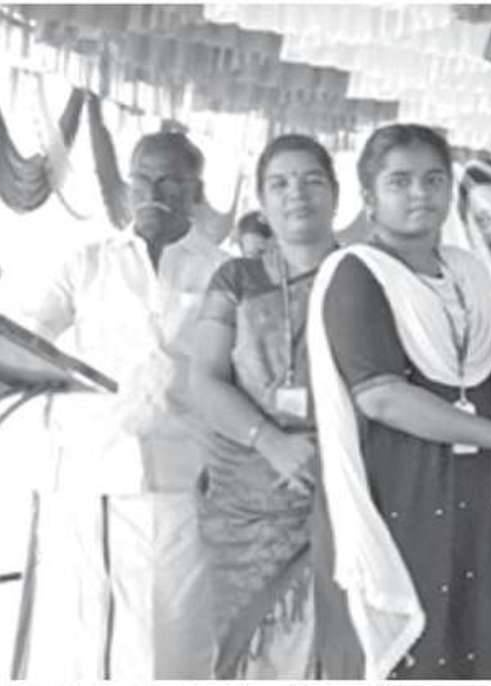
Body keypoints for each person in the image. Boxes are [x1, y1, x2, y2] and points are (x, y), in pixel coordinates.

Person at [305, 123, 491, 679]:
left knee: (480, 631)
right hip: (396, 486)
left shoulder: (465, 270)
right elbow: (383, 397)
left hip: (476, 486)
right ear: (369, 194)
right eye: (400, 181)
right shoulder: (356, 273)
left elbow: (484, 380)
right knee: (415, 643)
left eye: (434, 179)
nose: (420, 193)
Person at [6, 130, 228, 679]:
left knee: (178, 623)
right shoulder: (87, 261)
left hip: (186, 474)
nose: (154, 192)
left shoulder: (223, 270)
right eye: (142, 178)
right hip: (95, 471)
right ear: (128, 185)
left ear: (196, 190)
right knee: (95, 630)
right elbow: (27, 333)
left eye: (170, 180)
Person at [175, 134, 340, 678]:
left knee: (334, 642)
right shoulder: (237, 279)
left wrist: (325, 455)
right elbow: (204, 379)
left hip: (339, 483)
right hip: (245, 497)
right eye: (280, 183)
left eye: (312, 180)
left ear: (336, 194)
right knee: (252, 649)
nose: (297, 193)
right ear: (263, 201)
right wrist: (273, 444)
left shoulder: (364, 275)